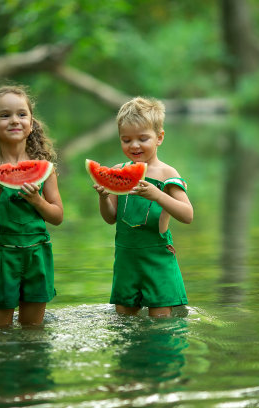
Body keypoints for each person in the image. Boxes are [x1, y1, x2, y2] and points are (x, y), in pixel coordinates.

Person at [0, 85, 63, 327]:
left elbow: (57, 216)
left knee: (34, 333)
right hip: (2, 255)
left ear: (31, 123)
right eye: (5, 115)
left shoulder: (45, 168)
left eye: (22, 114)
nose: (14, 121)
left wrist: (37, 200)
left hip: (37, 254)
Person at [93, 97, 193, 317]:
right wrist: (103, 197)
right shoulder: (119, 171)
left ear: (159, 138)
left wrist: (158, 195)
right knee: (125, 319)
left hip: (157, 258)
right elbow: (111, 218)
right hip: (126, 259)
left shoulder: (168, 174)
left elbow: (187, 215)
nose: (134, 145)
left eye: (143, 138)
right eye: (126, 139)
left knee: (160, 321)